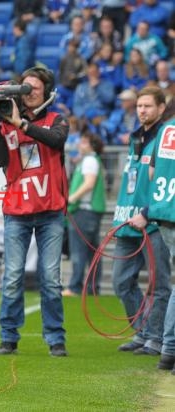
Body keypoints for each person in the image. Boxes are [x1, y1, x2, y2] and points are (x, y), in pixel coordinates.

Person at [0, 66, 70, 357]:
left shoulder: (55, 119)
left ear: (47, 92)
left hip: (50, 211)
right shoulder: (8, 121)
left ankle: (55, 338)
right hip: (17, 210)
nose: (30, 92)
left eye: (35, 88)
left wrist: (21, 124)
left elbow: (56, 140)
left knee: (50, 277)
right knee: (12, 276)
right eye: (25, 87)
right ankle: (8, 336)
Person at [111, 86, 172, 356]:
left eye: (148, 106)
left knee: (158, 285)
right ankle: (144, 330)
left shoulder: (165, 136)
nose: (142, 110)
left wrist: (147, 212)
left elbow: (165, 180)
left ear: (161, 108)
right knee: (121, 282)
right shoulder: (135, 136)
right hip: (127, 219)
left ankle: (156, 338)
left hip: (153, 220)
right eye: (139, 106)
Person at [128, 102, 175, 373]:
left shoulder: (166, 129)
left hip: (164, 212)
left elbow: (152, 173)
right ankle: (168, 349)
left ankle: (168, 350)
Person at [63, 131, 107, 297]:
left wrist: (71, 198)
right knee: (92, 251)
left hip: (84, 210)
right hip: (90, 211)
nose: (79, 145)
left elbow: (89, 184)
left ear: (91, 145)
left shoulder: (89, 160)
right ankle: (93, 287)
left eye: (83, 142)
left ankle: (75, 286)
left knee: (79, 250)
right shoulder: (91, 160)